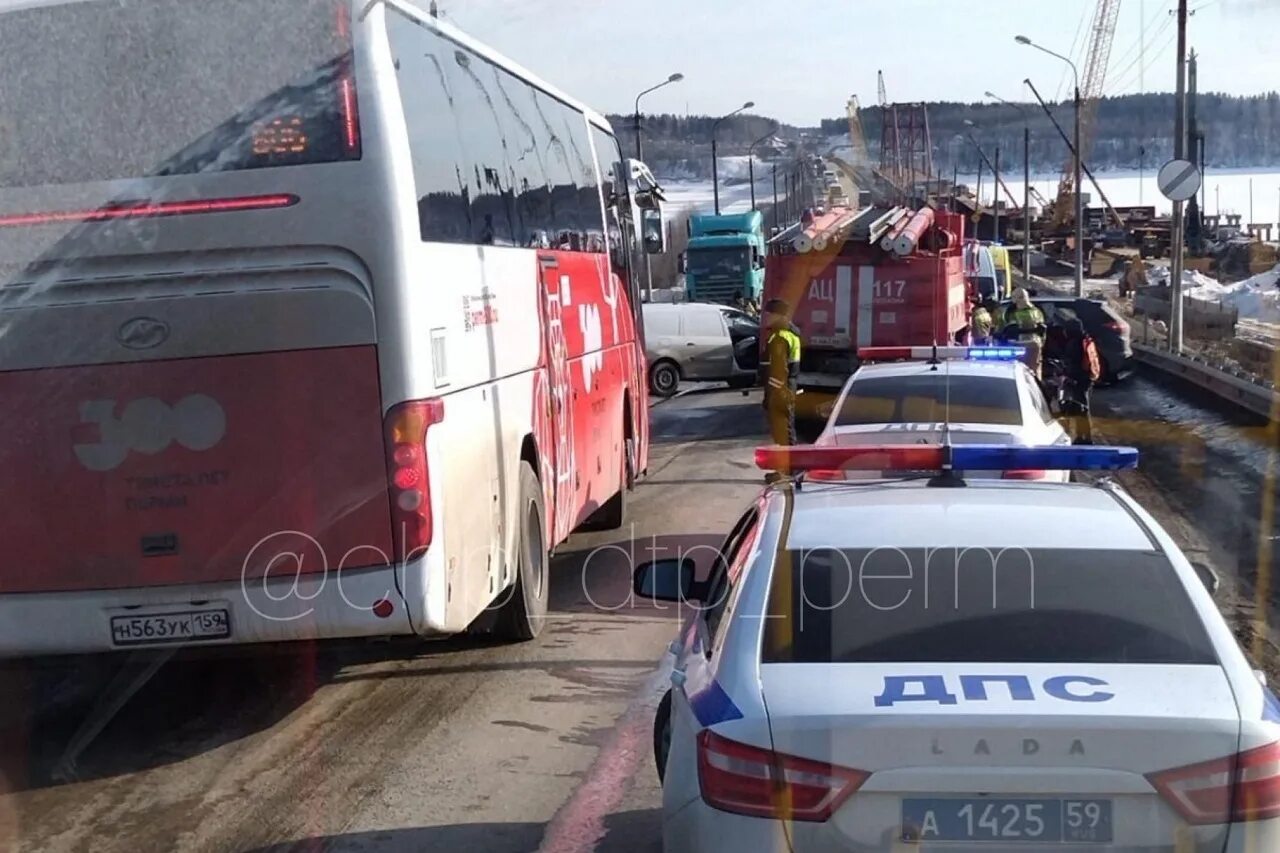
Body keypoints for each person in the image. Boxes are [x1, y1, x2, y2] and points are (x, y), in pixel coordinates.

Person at [759, 298, 802, 476]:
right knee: (786, 430)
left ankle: (787, 469)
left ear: (778, 316)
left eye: (769, 314)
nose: (766, 318)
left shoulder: (779, 338)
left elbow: (778, 371)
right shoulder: (790, 335)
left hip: (780, 392)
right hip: (786, 389)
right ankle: (789, 467)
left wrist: (772, 396)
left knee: (782, 431)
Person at [1062, 317, 1101, 444]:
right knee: (1083, 408)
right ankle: (1083, 435)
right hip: (1088, 378)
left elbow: (1073, 364)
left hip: (1079, 379)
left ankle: (1084, 437)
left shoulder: (1074, 343)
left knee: (1079, 408)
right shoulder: (1086, 340)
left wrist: (1068, 376)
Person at [1002, 287, 1047, 378]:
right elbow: (1042, 329)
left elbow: (1008, 329)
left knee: (1020, 373)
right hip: (1034, 344)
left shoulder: (1012, 312)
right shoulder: (1037, 311)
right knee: (1033, 372)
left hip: (1019, 345)